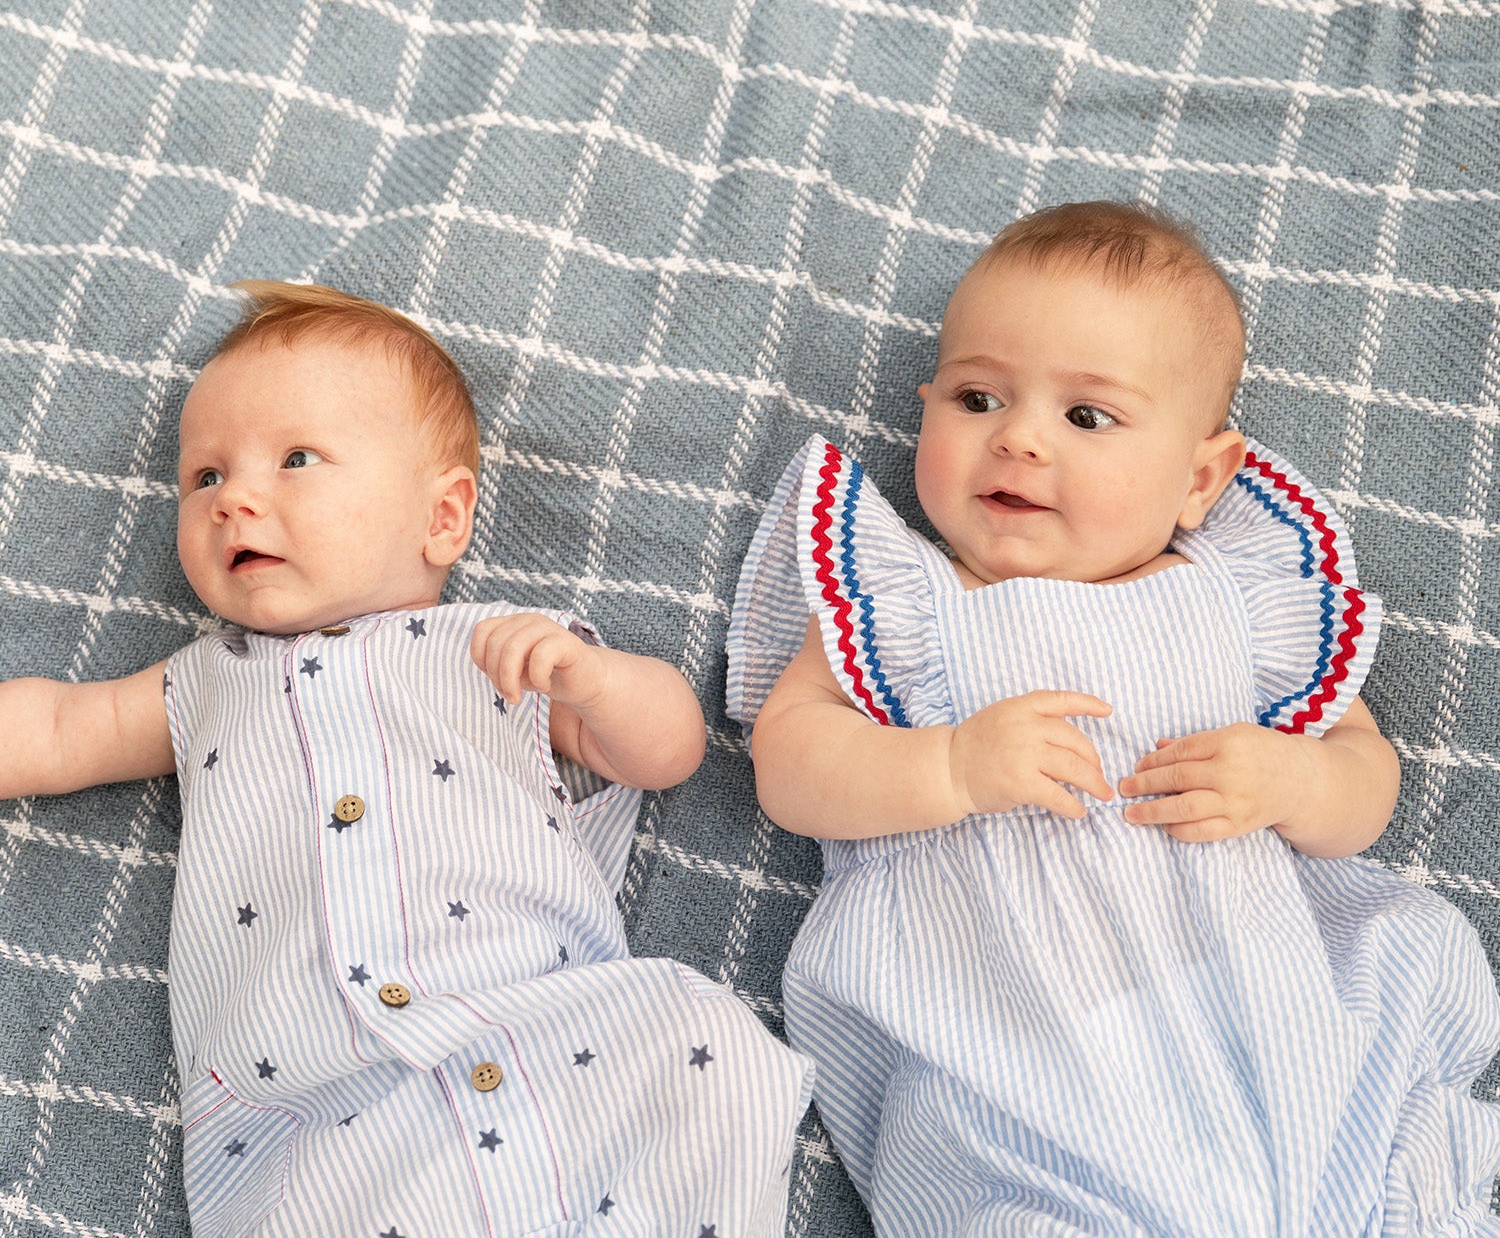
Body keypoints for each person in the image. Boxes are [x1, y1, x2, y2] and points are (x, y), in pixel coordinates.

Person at [726, 202, 1500, 1236]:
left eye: (1087, 417)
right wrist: (947, 768)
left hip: (1255, 1016)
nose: (1020, 438)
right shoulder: (905, 610)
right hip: (1016, 1047)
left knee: (1376, 1170)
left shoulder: (1241, 601)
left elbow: (1367, 776)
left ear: (1198, 478)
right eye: (976, 396)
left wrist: (1297, 780)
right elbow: (788, 763)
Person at [1, 281, 812, 1237]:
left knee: (703, 1041)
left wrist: (593, 679)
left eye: (295, 459)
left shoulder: (496, 647)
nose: (235, 501)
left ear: (442, 517)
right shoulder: (202, 682)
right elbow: (55, 730)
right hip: (312, 1095)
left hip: (545, 1030)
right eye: (204, 478)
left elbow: (667, 751)